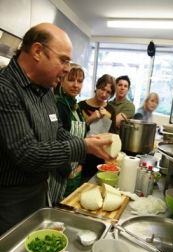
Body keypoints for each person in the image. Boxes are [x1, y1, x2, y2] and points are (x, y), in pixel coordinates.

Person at [0, 23, 116, 236]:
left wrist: (90, 142)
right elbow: (28, 154)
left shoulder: (45, 91)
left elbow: (57, 131)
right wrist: (82, 146)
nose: (67, 69)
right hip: (10, 201)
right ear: (37, 51)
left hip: (40, 191)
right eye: (63, 60)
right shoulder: (5, 89)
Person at [49, 63, 86, 204]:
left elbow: (81, 136)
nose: (76, 85)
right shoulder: (59, 105)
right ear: (61, 81)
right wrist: (67, 171)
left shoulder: (76, 107)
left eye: (80, 81)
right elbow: (55, 140)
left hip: (76, 168)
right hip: (60, 171)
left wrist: (80, 163)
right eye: (71, 80)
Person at [79, 74, 117, 177]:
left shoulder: (111, 110)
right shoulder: (81, 106)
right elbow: (75, 131)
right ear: (97, 87)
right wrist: (90, 119)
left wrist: (105, 119)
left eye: (108, 92)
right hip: (82, 154)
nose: (104, 94)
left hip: (100, 156)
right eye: (102, 89)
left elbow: (112, 136)